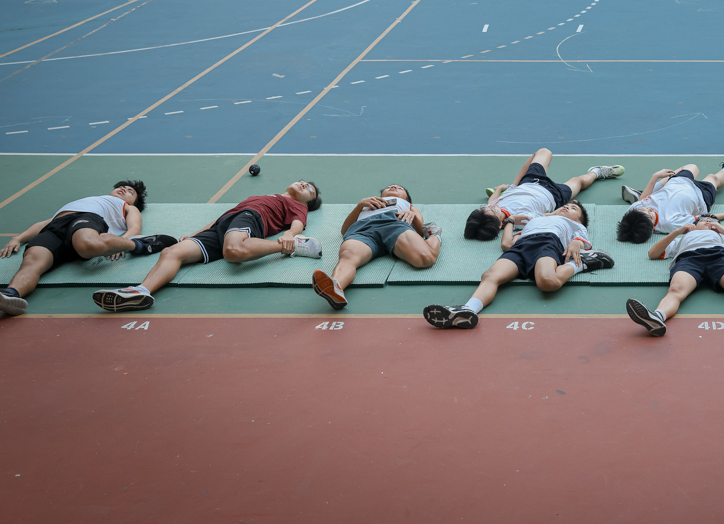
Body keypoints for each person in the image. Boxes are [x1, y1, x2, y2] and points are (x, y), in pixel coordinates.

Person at [92, 180, 322, 312]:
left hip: (252, 218)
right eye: (303, 181)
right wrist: (195, 234)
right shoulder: (266, 195)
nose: (304, 184)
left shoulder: (297, 206)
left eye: (309, 189)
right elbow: (222, 217)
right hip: (224, 224)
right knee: (172, 252)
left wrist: (289, 236)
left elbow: (297, 223)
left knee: (233, 251)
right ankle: (141, 291)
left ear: (308, 202)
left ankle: (293, 247)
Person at [423, 201, 613, 329]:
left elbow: (581, 241)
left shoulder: (574, 225)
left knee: (547, 282)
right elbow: (507, 244)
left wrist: (575, 244)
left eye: (573, 208)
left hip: (547, 243)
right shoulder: (535, 219)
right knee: (490, 275)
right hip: (521, 247)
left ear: (578, 219)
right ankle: (468, 310)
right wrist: (510, 222)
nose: (566, 207)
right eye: (566, 204)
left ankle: (584, 263)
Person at [0, 181, 174, 316]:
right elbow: (43, 224)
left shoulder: (127, 207)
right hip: (55, 227)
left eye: (130, 191)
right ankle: (11, 295)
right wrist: (18, 238)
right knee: (31, 262)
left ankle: (141, 245)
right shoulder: (87, 200)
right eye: (122, 187)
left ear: (133, 201)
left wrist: (123, 242)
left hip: (86, 219)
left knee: (89, 245)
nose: (124, 189)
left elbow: (135, 227)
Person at [625, 219, 724, 337]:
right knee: (675, 289)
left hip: (718, 257)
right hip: (689, 259)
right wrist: (678, 231)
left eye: (713, 221)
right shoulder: (682, 239)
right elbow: (653, 254)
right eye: (704, 220)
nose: (709, 222)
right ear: (694, 225)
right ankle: (657, 316)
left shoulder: (721, 237)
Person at [312, 184, 442, 310]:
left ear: (407, 199)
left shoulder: (410, 207)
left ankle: (435, 235)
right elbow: (345, 230)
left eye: (399, 188)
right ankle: (336, 287)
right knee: (348, 255)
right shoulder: (367, 203)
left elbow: (420, 232)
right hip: (363, 229)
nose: (393, 187)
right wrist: (360, 205)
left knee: (426, 258)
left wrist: (413, 217)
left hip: (395, 223)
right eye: (389, 187)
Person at [464, 149, 623, 241]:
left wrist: (499, 189)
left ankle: (512, 187)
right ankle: (597, 172)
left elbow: (491, 202)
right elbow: (545, 217)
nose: (492, 206)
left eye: (487, 208)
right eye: (493, 211)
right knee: (579, 181)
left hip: (530, 181)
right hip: (554, 195)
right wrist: (561, 211)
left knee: (543, 152)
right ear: (500, 225)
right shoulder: (518, 220)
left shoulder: (490, 208)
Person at [616, 143, 724, 244]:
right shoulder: (670, 223)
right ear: (653, 229)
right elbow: (702, 218)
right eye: (650, 215)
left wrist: (655, 176)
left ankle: (647, 190)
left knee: (692, 166)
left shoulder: (633, 213)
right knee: (712, 178)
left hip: (677, 182)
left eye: (642, 210)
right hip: (700, 197)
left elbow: (641, 201)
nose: (648, 209)